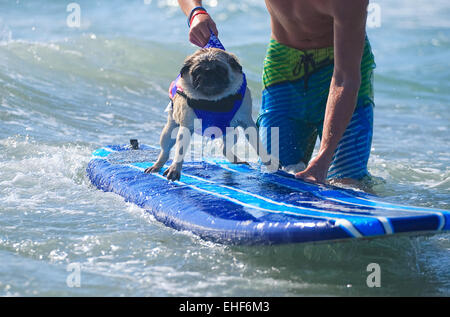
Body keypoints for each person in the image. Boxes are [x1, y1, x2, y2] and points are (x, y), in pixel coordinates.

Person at [177, 0, 376, 185]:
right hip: (284, 69)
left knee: (347, 183)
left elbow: (345, 78)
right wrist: (196, 12)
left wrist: (324, 158)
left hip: (341, 72)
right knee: (275, 176)